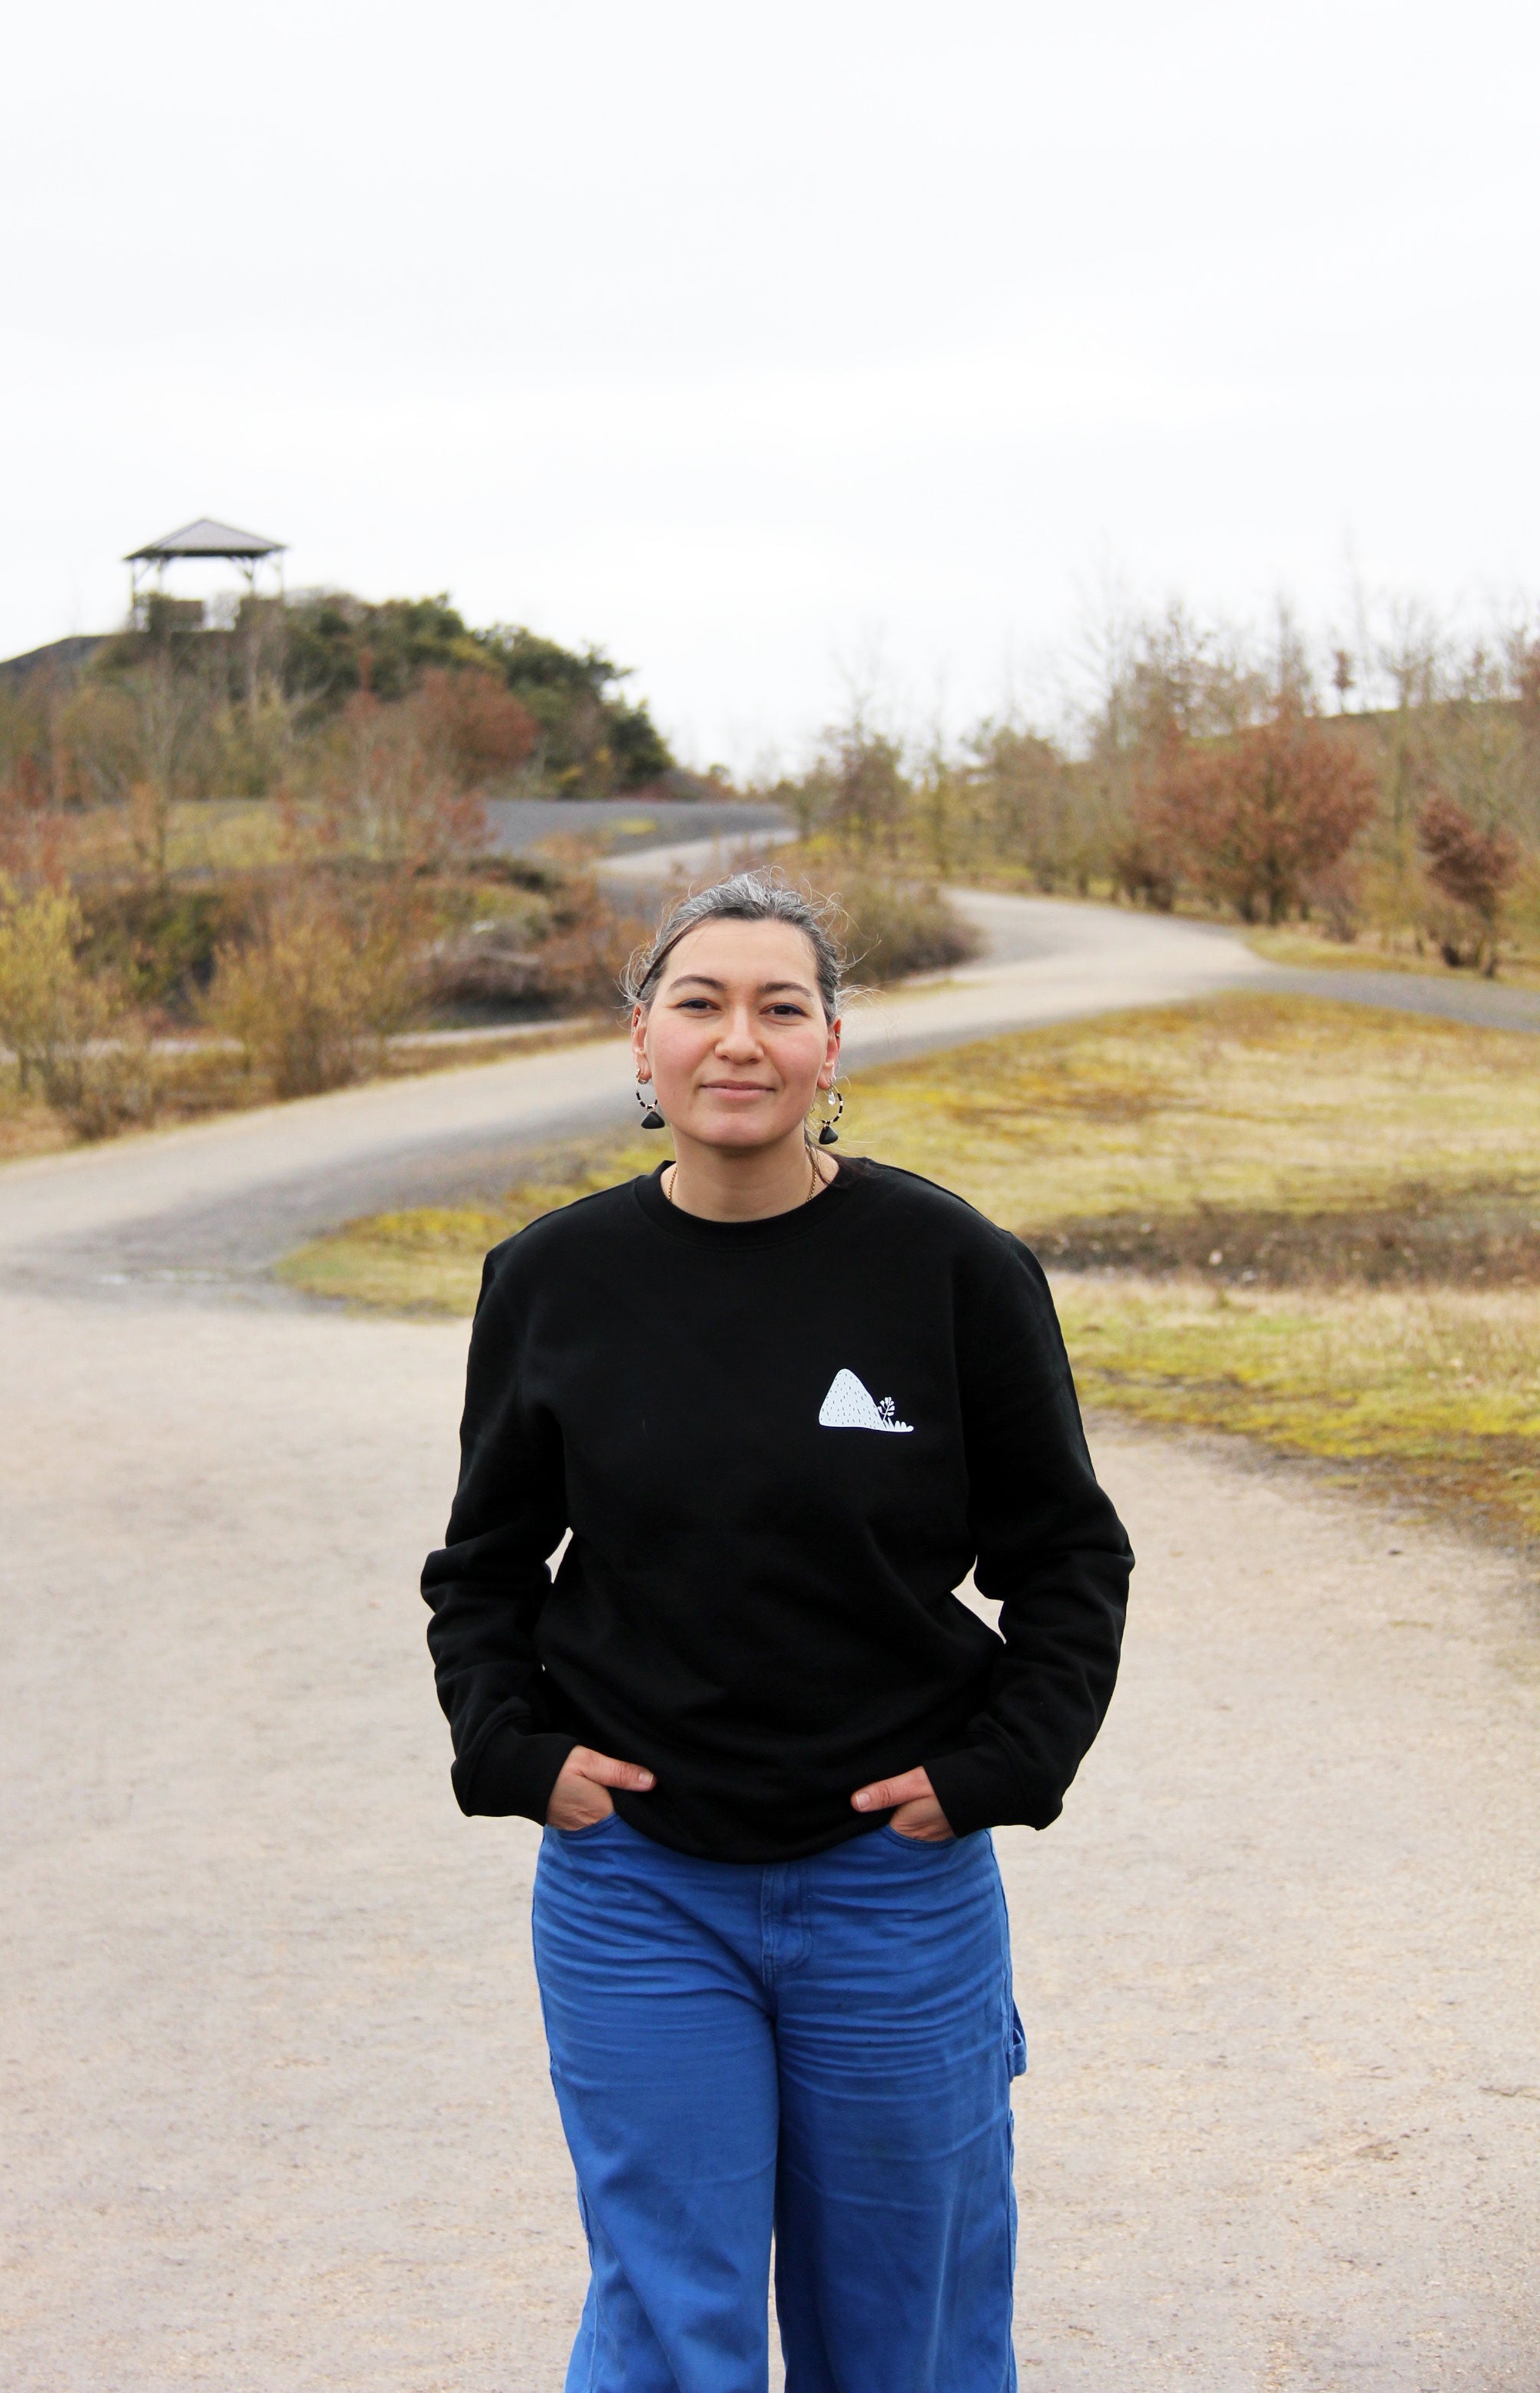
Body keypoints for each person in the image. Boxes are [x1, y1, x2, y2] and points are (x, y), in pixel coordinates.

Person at [422, 870, 1132, 2393]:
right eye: (700, 1002)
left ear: (830, 1049)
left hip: (895, 1886)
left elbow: (1068, 1556)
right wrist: (516, 1752)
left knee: (909, 2326)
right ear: (641, 1046)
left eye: (779, 1005)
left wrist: (1003, 1766)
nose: (736, 1039)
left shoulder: (952, 1271)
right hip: (637, 1896)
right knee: (669, 2323)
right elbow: (484, 1566)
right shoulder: (553, 1281)